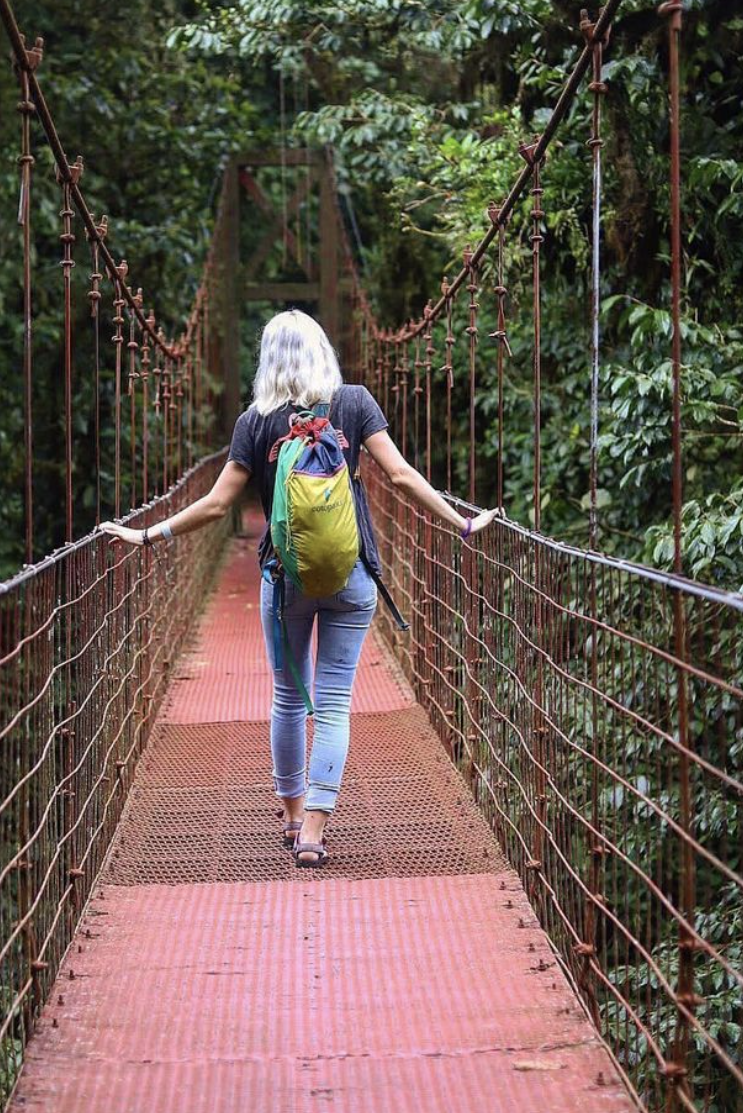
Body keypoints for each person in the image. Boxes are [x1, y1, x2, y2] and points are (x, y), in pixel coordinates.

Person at [99, 310, 500, 868]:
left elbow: (218, 504)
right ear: (323, 352)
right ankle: (315, 826)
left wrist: (145, 534)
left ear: (268, 360)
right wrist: (462, 522)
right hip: (352, 576)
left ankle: (289, 817)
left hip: (284, 581)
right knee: (334, 703)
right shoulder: (355, 403)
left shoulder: (255, 421)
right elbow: (403, 476)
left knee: (289, 699)